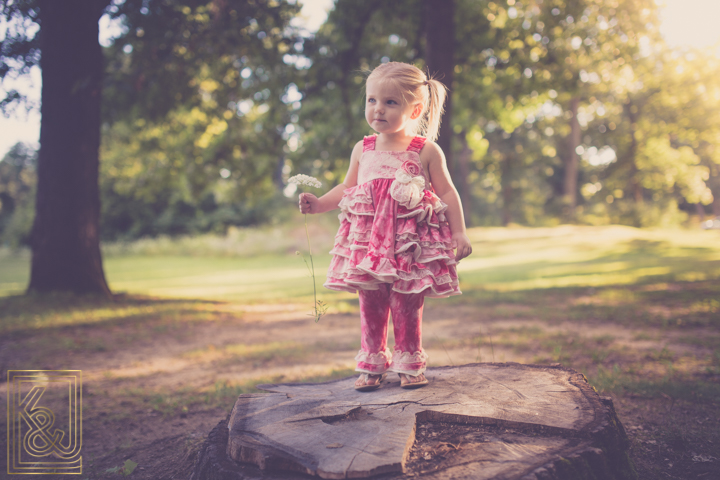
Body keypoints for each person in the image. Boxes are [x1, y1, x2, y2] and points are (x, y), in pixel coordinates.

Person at [299, 62, 472, 391]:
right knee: (371, 300)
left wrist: (459, 232)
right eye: (372, 100)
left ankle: (409, 360)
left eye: (390, 102)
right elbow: (347, 188)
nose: (378, 109)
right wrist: (320, 203)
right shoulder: (362, 149)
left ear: (415, 109)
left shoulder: (425, 150)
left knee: (407, 301)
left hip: (409, 245)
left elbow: (448, 192)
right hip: (369, 244)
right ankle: (372, 361)